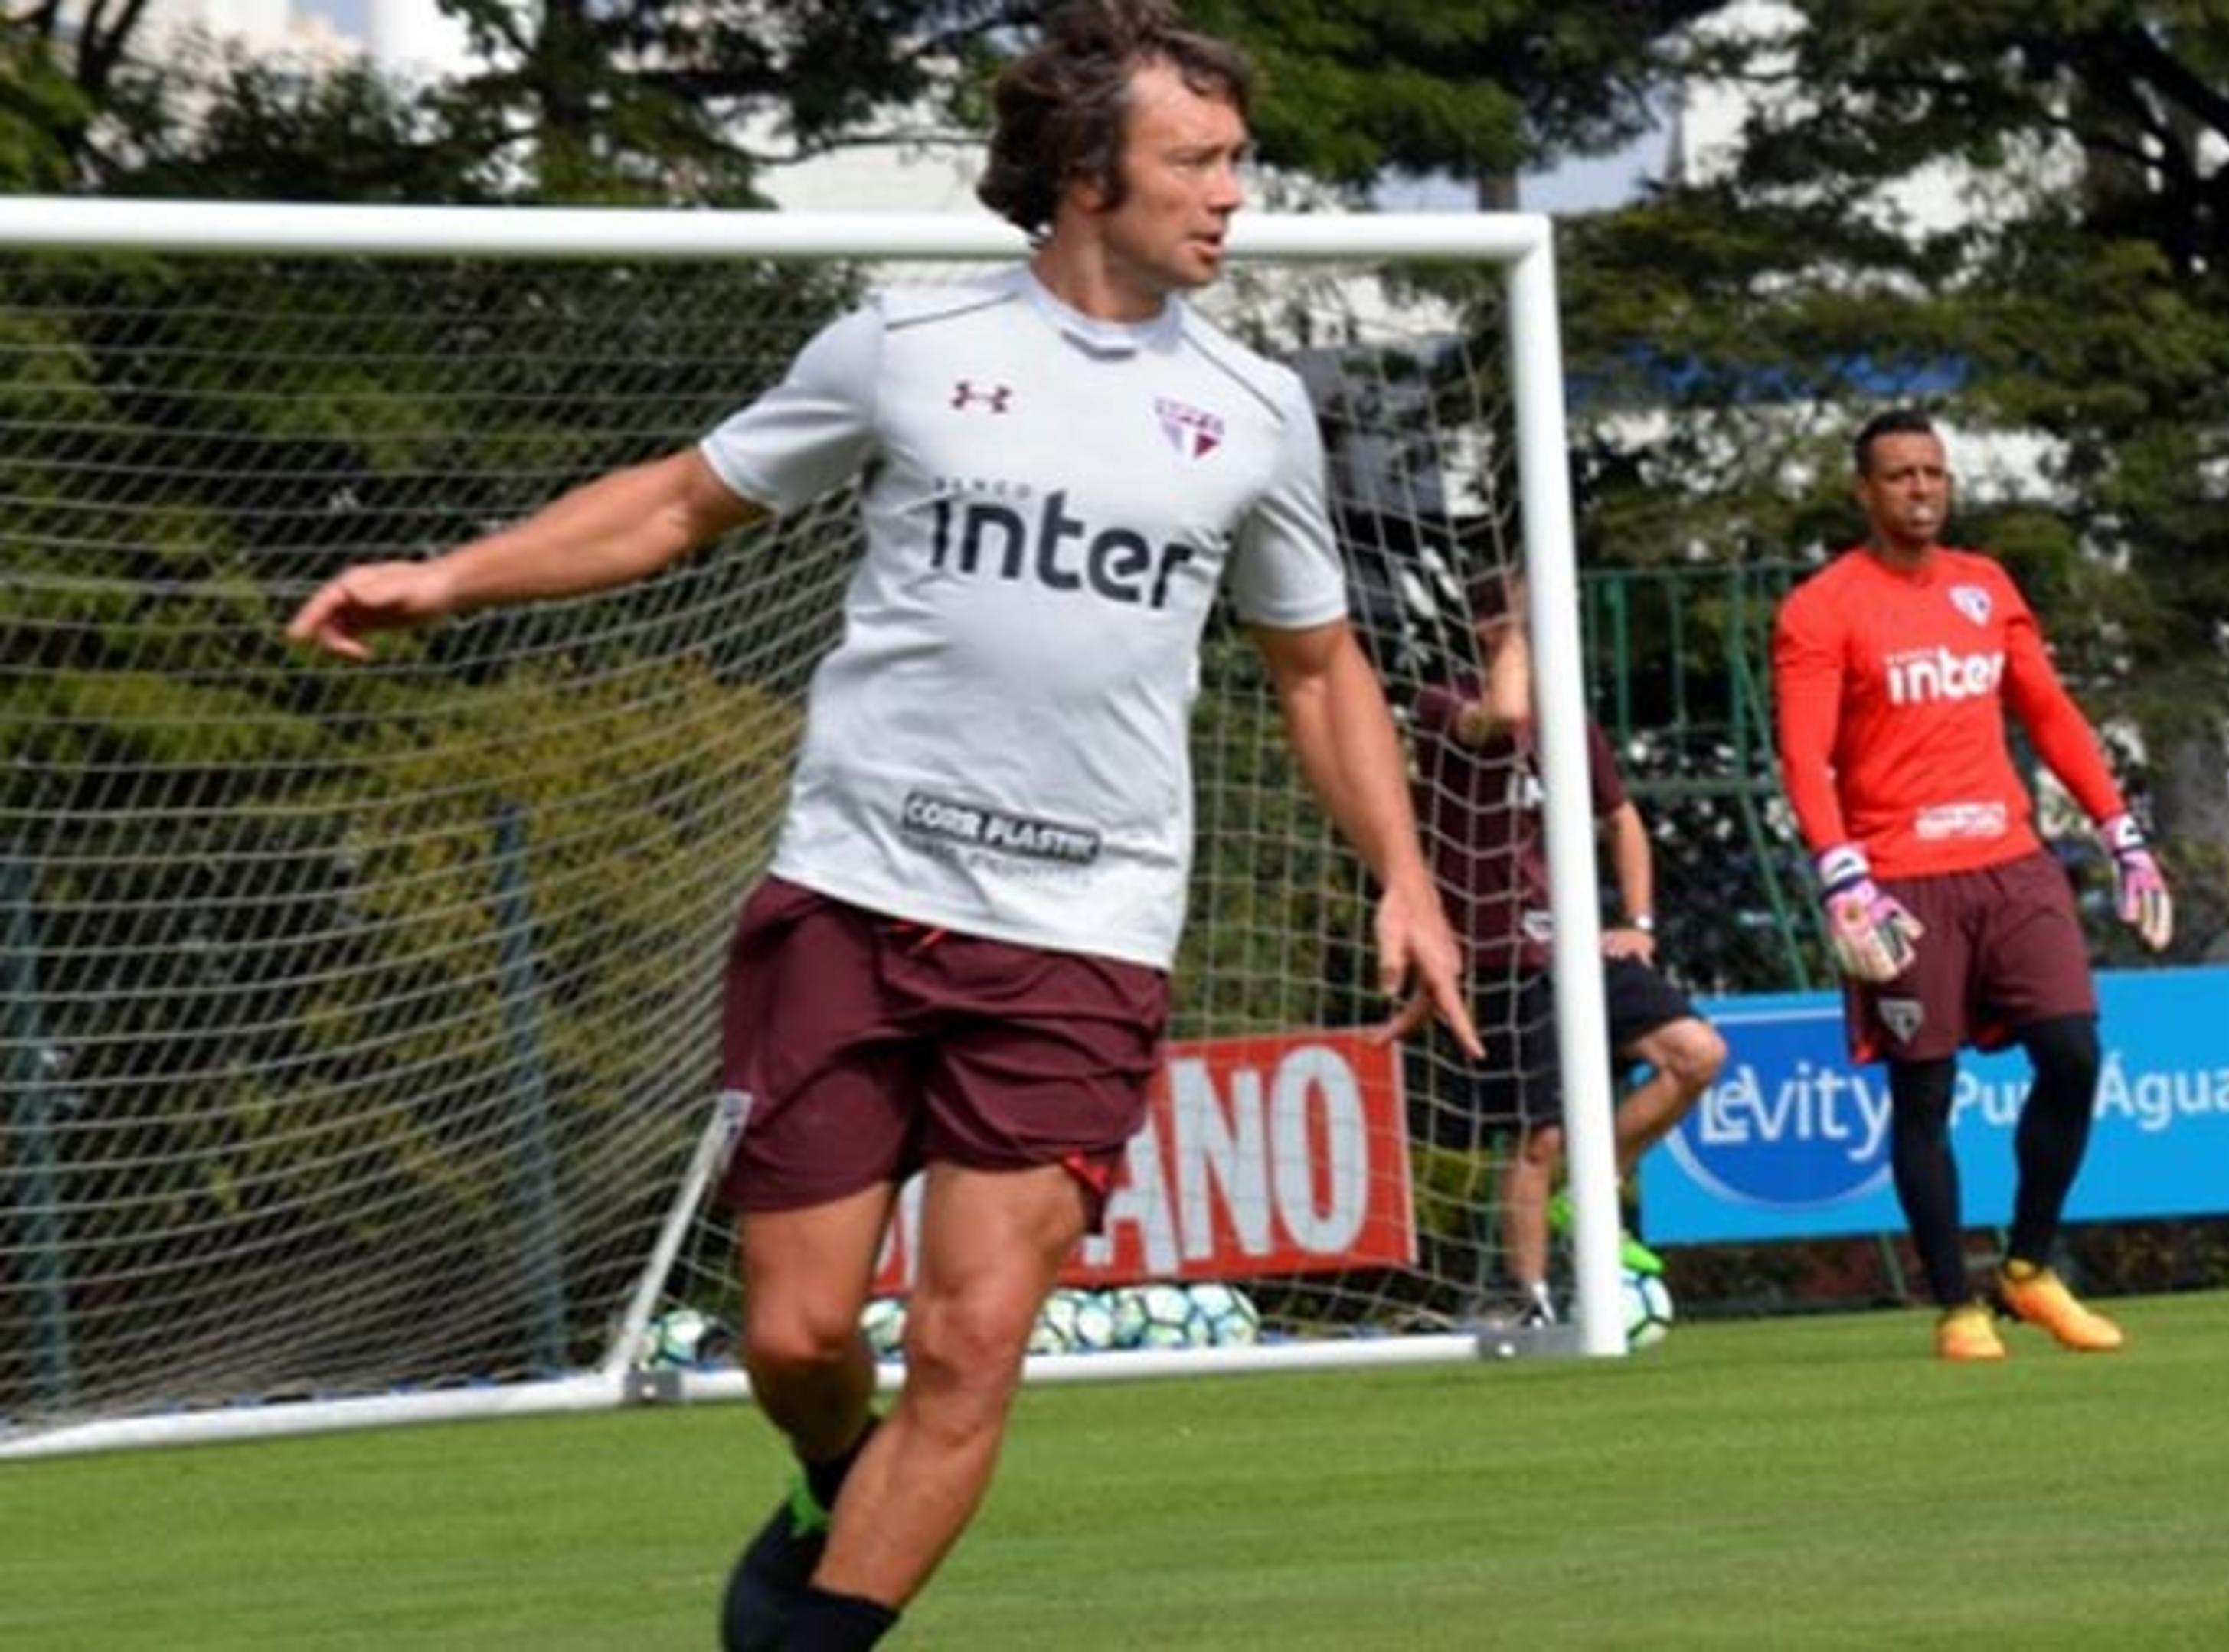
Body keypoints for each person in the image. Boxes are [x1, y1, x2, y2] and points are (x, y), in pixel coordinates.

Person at [284, 5, 1474, 1646]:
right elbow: (678, 504)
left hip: (1084, 933)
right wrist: (451, 576)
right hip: (851, 899)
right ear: (1083, 172)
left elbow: (1317, 665)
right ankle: (834, 1468)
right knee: (791, 1335)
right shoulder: (902, 353)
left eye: (1237, 161)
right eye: (1196, 160)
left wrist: (1402, 875)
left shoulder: (1254, 409)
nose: (1231, 195)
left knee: (975, 1340)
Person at [1769, 406, 2173, 1364]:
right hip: (1902, 880)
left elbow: (2051, 713)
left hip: (2011, 863)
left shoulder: (1985, 588)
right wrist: (1839, 873)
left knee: (2073, 1052)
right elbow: (1804, 754)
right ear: (1864, 492)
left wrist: (2122, 833)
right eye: (1901, 475)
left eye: (1934, 474)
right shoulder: (1822, 608)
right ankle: (1957, 1305)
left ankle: (2028, 1271)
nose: (1921, 489)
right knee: (1925, 1092)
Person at [1413, 567, 1728, 1328]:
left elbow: (1621, 819)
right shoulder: (1444, 701)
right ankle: (1527, 1298)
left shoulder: (1571, 723)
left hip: (1579, 951)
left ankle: (1590, 1189)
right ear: (1493, 629)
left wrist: (1639, 923)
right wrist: (1517, 639)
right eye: (1530, 620)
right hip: (1501, 954)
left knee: (1699, 1054)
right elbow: (1503, 712)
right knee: (1542, 1132)